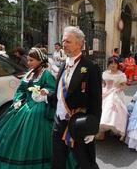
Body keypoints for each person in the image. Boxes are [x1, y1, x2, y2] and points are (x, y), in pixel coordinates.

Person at [0, 47, 77, 169]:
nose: (28, 62)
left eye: (31, 60)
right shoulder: (29, 73)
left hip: (39, 110)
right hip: (23, 107)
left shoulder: (46, 74)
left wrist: (44, 92)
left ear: (40, 61)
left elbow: (54, 90)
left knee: (35, 140)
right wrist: (18, 100)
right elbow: (20, 89)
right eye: (28, 60)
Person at [50, 26, 102, 169]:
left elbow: (96, 100)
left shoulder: (90, 67)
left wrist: (93, 128)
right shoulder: (63, 65)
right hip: (59, 123)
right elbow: (59, 95)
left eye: (68, 41)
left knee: (86, 163)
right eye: (63, 41)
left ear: (79, 44)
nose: (64, 44)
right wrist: (45, 97)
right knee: (57, 162)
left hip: (79, 124)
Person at [96, 57, 128, 141]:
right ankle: (101, 131)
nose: (113, 65)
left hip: (115, 93)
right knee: (100, 108)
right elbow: (103, 84)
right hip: (105, 92)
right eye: (111, 63)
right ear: (108, 64)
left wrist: (117, 89)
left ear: (117, 65)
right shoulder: (105, 73)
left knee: (110, 107)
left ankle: (111, 126)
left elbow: (124, 85)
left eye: (114, 63)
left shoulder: (121, 74)